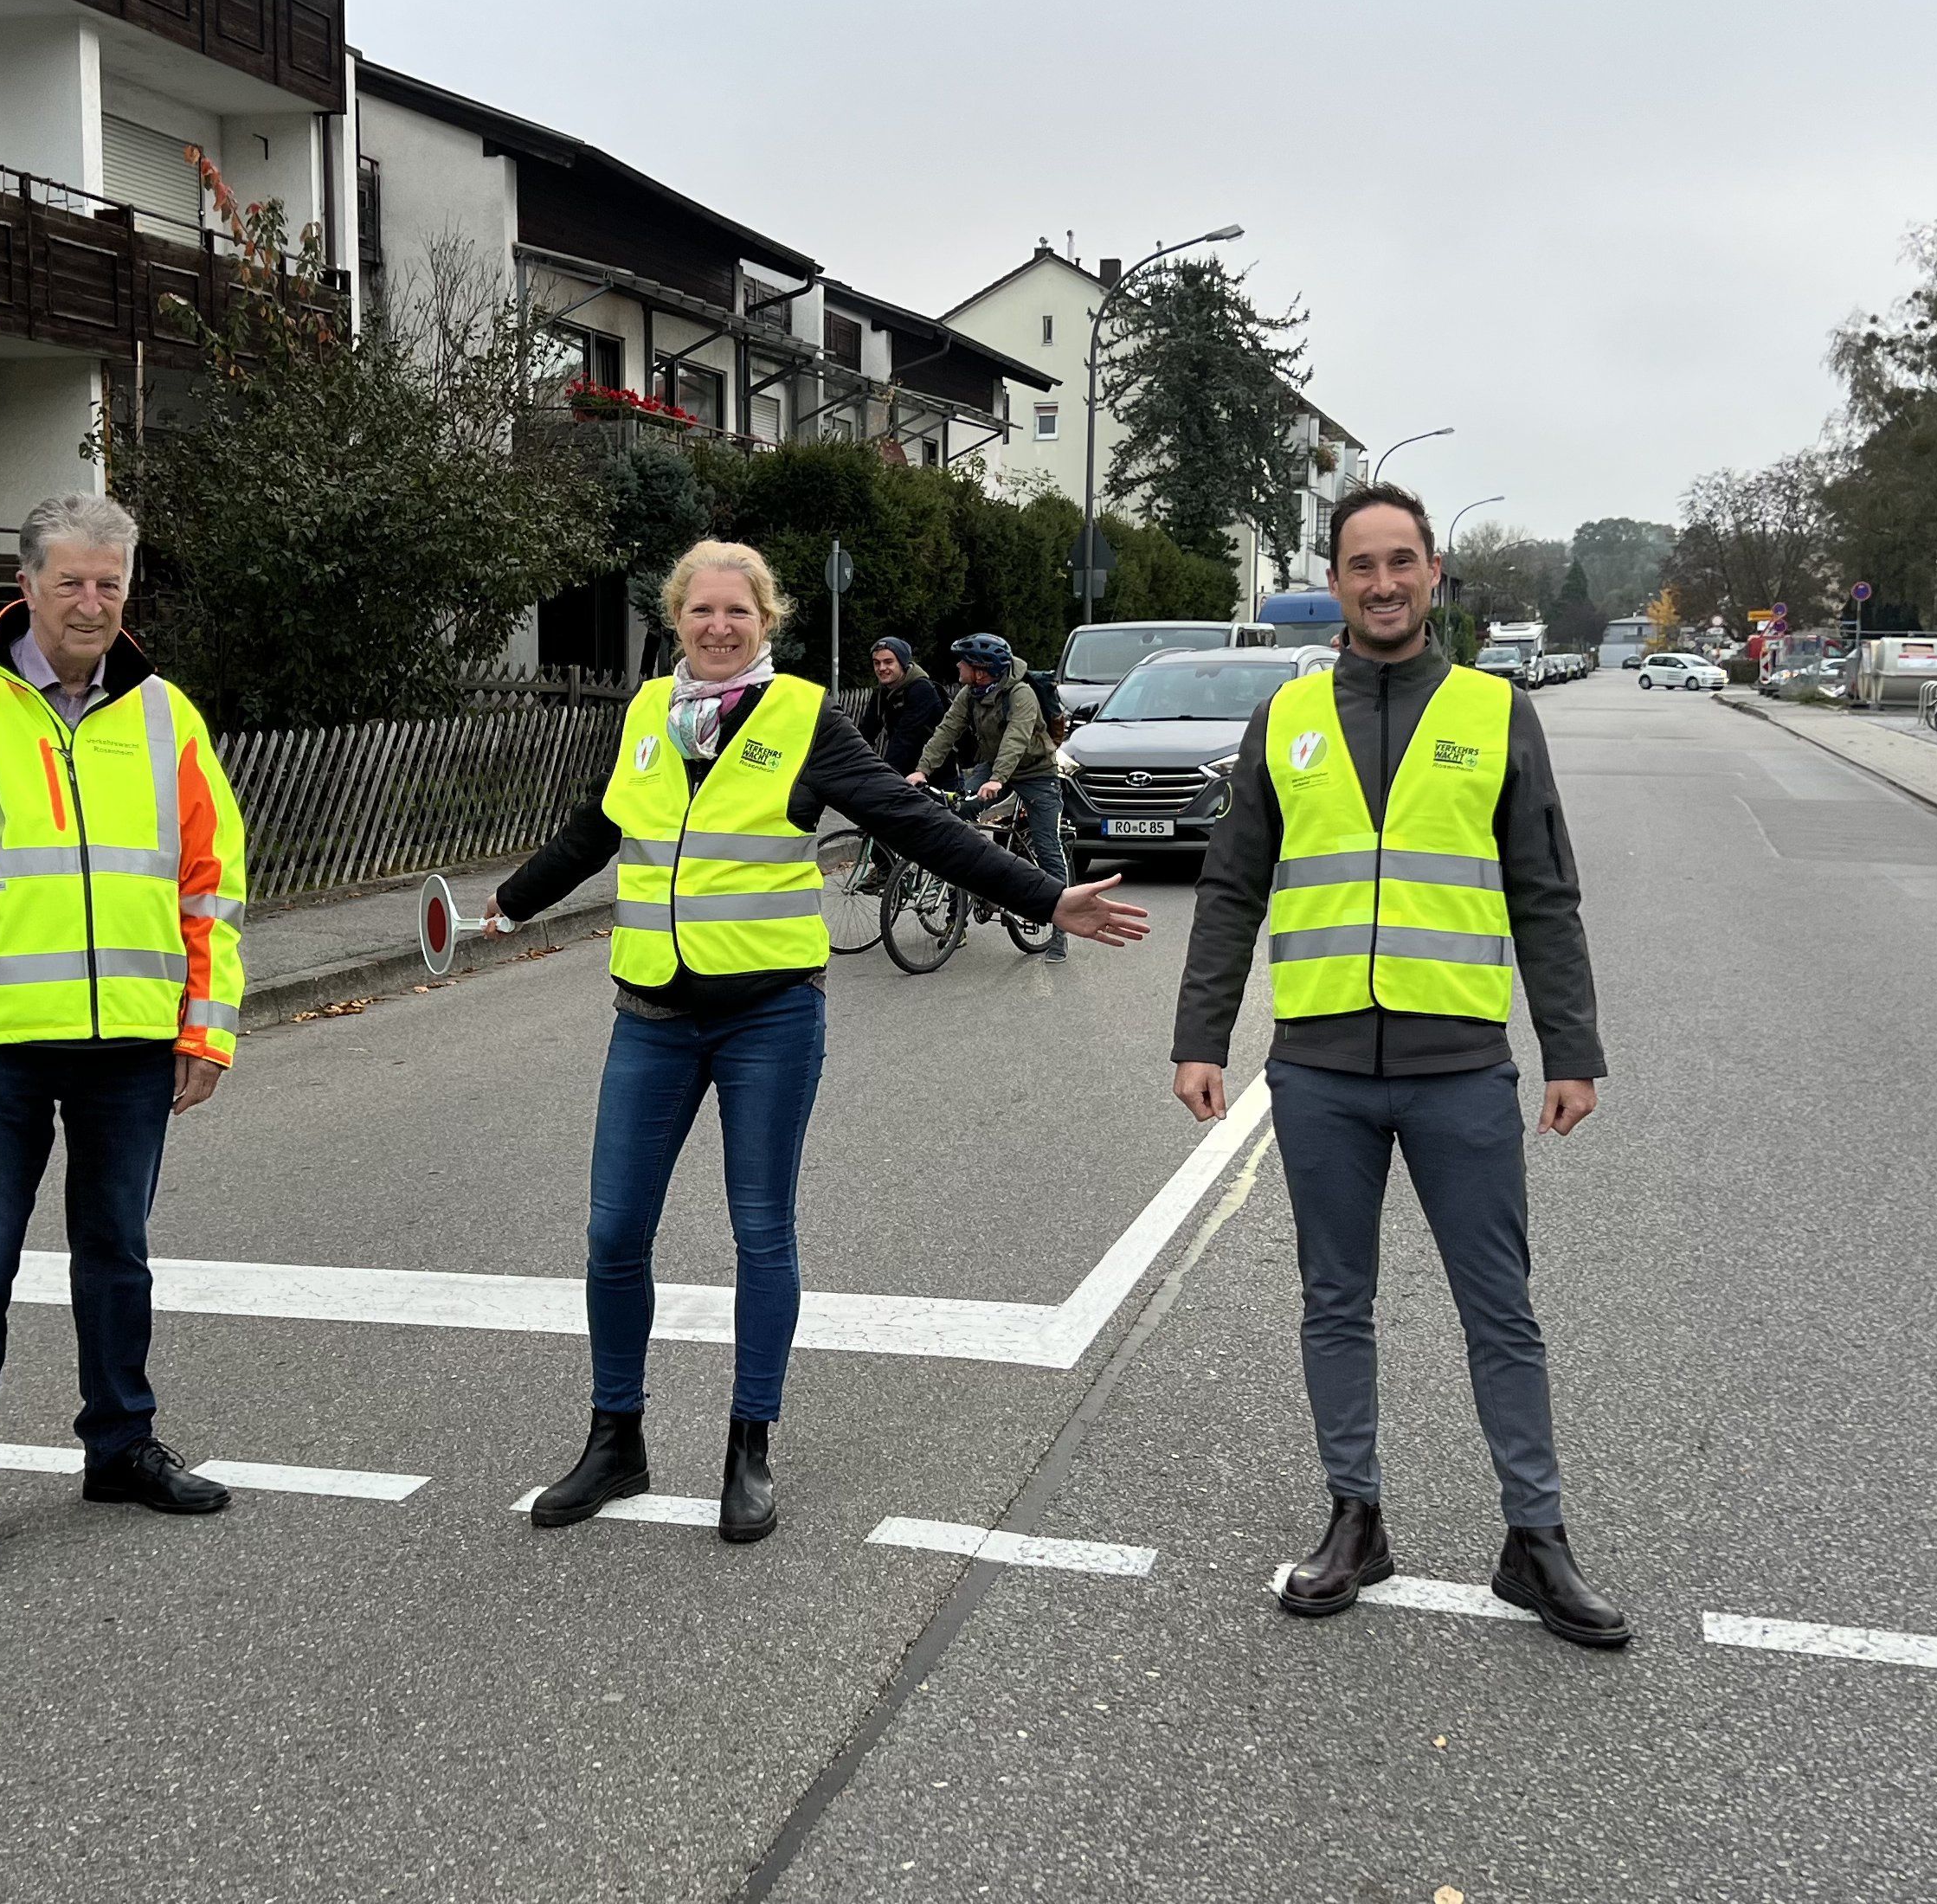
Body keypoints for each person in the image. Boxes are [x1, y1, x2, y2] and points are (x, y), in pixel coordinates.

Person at [487, 542, 1149, 1542]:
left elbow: (912, 823)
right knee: (614, 1234)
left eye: (737, 613)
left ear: (767, 623)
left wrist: (1049, 895)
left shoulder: (806, 718)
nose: (718, 627)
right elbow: (596, 830)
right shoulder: (644, 716)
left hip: (768, 1018)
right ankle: (614, 1439)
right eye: (702, 611)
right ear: (679, 620)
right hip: (652, 1017)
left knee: (762, 1235)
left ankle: (749, 1448)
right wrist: (502, 904)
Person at [1168, 480, 1625, 1643]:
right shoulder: (1287, 721)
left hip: (1459, 1068)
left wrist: (1570, 1046)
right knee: (1335, 1303)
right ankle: (1356, 1519)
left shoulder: (1493, 710)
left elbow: (1545, 893)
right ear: (1336, 582)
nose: (1382, 583)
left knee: (1500, 1311)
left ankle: (1537, 1538)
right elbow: (1232, 889)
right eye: (1360, 565)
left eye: (1401, 563)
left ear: (1432, 576)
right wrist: (1200, 1037)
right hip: (1318, 1069)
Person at [0, 492, 248, 1583]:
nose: (89, 603)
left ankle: (119, 1447)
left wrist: (205, 1030)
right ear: (23, 586)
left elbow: (211, 889)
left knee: (117, 1258)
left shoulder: (168, 717)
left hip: (130, 1038)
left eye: (109, 584)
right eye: (69, 582)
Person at [909, 632, 1073, 960]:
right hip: (992, 767)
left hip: (1036, 773)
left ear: (981, 668)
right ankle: (958, 918)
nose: (958, 666)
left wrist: (998, 779)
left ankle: (1060, 932)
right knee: (954, 822)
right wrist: (922, 770)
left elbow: (1016, 737)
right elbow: (947, 730)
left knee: (1047, 846)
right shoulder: (969, 694)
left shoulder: (1021, 694)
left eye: (963, 662)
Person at [858, 638, 947, 776]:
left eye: (888, 662)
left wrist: (886, 776)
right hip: (905, 771)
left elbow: (905, 738)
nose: (881, 668)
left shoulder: (922, 689)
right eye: (877, 663)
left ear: (902, 663)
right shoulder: (882, 692)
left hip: (937, 773)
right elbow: (866, 731)